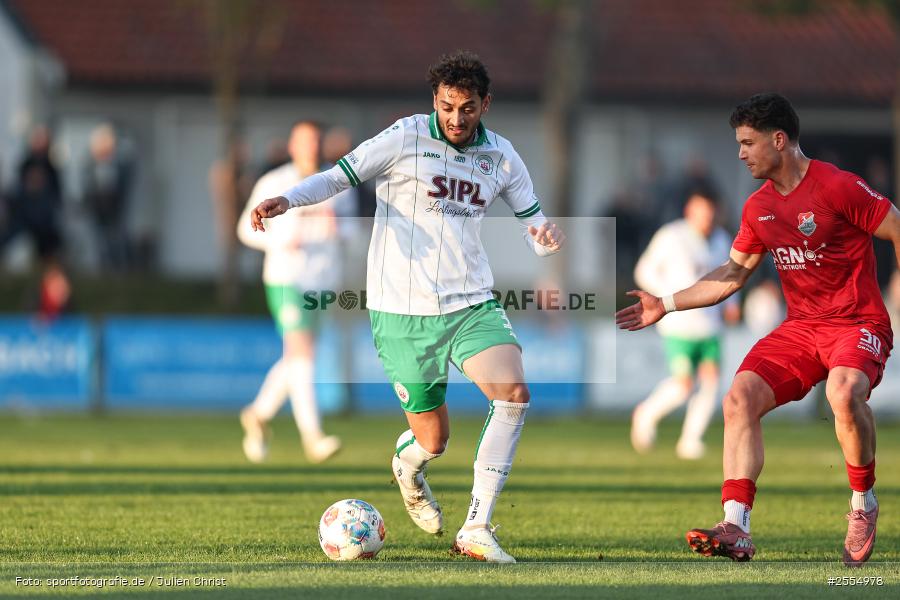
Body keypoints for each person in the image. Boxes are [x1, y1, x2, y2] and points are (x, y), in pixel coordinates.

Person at [249, 51, 564, 563]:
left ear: (486, 104)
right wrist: (287, 200)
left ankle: (478, 527)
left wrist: (546, 238)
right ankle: (408, 465)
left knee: (513, 394)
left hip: (470, 302)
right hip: (401, 309)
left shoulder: (502, 156)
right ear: (434, 102)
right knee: (433, 440)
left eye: (467, 108)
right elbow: (338, 176)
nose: (456, 119)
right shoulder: (405, 136)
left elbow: (535, 224)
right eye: (446, 107)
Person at [616, 93, 898, 566]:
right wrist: (665, 303)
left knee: (844, 393)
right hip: (802, 329)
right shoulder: (759, 208)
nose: (741, 153)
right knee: (738, 397)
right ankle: (736, 526)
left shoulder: (839, 186)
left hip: (857, 322)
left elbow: (895, 227)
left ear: (779, 139)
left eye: (748, 143)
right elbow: (731, 274)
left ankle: (862, 501)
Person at [237, 121, 354, 464]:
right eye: (304, 141)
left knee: (297, 359)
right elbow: (245, 228)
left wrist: (340, 229)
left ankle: (258, 414)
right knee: (302, 357)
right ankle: (313, 436)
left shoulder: (337, 182)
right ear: (292, 145)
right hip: (287, 278)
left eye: (316, 141)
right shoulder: (274, 183)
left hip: (322, 281)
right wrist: (278, 241)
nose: (311, 148)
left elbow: (353, 228)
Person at [631, 188, 739, 460]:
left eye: (711, 212)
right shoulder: (671, 236)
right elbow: (643, 271)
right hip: (678, 323)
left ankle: (691, 440)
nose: (707, 218)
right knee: (684, 385)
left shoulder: (721, 239)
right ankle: (645, 415)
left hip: (710, 325)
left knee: (712, 381)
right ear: (689, 212)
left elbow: (729, 277)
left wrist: (731, 305)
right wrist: (666, 299)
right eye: (702, 212)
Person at [83, 123, 134, 271]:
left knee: (116, 241)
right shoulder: (89, 166)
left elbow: (125, 188)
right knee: (99, 244)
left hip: (115, 210)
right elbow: (87, 188)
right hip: (97, 210)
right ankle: (102, 270)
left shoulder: (121, 165)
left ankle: (119, 270)